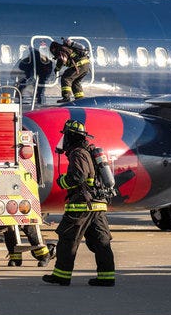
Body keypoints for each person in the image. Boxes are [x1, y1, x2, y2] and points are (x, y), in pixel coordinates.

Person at [42, 119, 116, 287]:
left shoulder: (78, 153)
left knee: (67, 239)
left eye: (66, 136)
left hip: (82, 205)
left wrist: (62, 182)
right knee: (101, 242)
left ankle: (61, 276)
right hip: (97, 204)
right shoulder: (89, 151)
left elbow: (78, 176)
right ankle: (106, 277)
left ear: (70, 136)